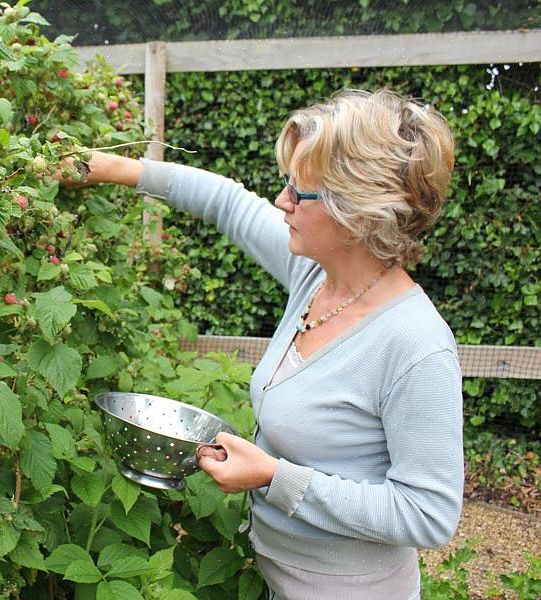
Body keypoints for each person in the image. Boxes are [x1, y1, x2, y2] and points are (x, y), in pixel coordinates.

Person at [59, 89, 463, 599]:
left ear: (355, 212)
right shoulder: (316, 276)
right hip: (283, 583)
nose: (281, 202)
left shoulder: (415, 344)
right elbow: (227, 202)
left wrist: (274, 478)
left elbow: (428, 516)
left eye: (299, 192)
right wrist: (106, 167)